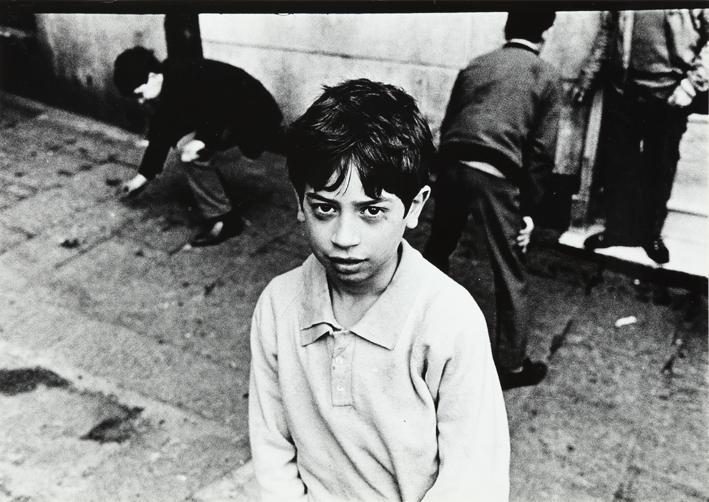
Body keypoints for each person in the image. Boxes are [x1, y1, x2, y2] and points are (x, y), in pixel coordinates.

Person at [249, 79, 509, 501]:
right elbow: (271, 444)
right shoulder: (279, 305)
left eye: (371, 211)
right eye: (325, 208)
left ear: (416, 207)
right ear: (300, 202)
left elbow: (473, 475)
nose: (344, 236)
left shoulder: (450, 320)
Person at [423, 11, 562, 390]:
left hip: (453, 164)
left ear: (506, 30)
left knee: (437, 247)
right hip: (495, 174)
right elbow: (540, 153)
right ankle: (512, 366)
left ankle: (414, 331)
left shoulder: (476, 65)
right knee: (509, 269)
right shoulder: (545, 75)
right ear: (545, 32)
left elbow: (450, 122)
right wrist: (530, 212)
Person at [573, 9, 709, 264]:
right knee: (620, 164)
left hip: (671, 95)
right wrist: (587, 78)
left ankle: (651, 235)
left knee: (660, 167)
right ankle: (617, 231)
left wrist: (691, 86)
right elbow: (607, 33)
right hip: (624, 89)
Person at [113, 46, 284, 247]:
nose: (141, 101)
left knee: (190, 153)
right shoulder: (167, 81)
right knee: (183, 142)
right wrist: (140, 179)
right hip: (227, 116)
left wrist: (202, 141)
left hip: (253, 115)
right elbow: (161, 133)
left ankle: (225, 221)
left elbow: (221, 105)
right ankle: (219, 199)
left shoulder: (186, 76)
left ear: (152, 77)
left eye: (139, 94)